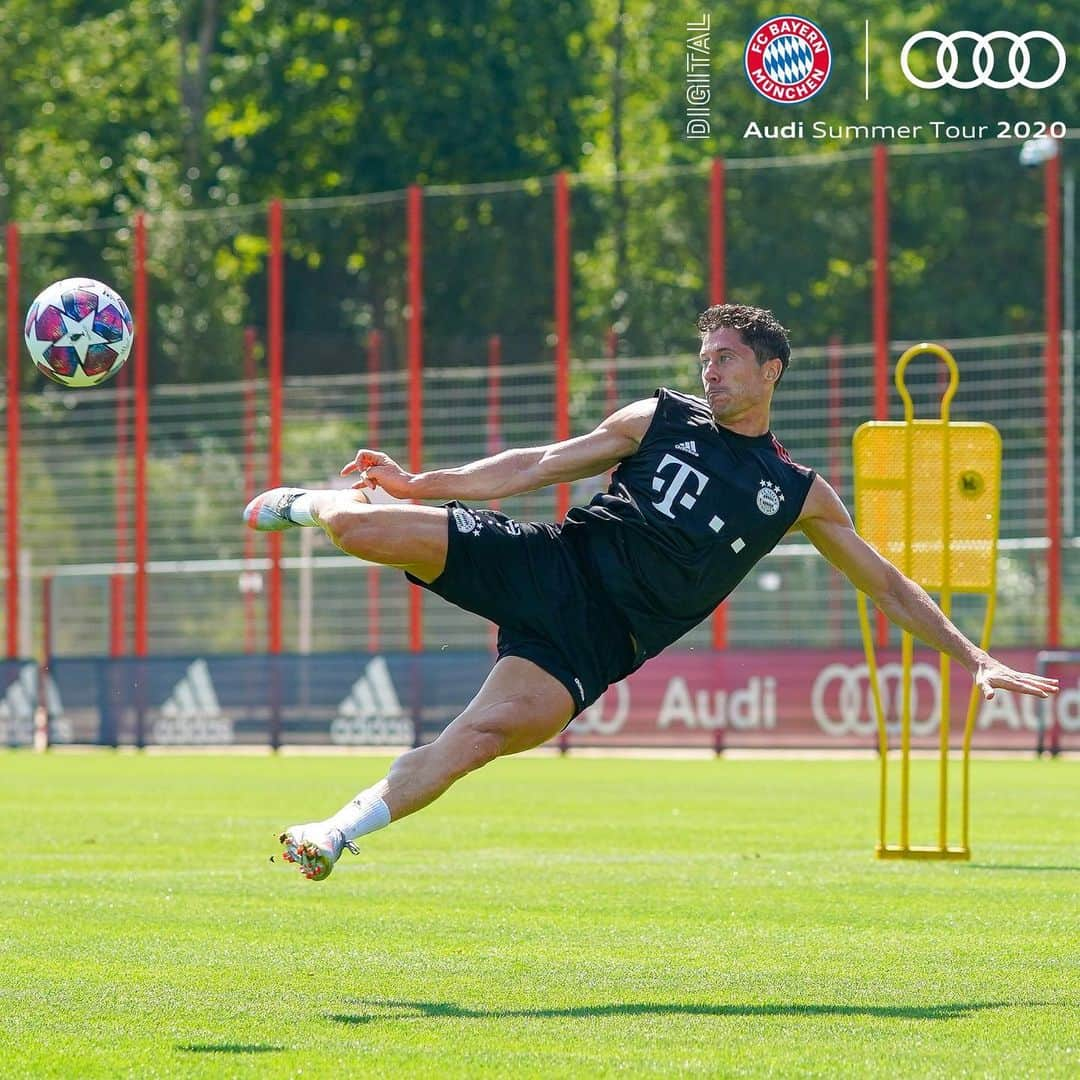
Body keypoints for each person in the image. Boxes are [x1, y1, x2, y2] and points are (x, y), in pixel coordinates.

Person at [244, 303, 1059, 881]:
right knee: (359, 528)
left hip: (594, 649)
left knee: (477, 741)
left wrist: (972, 653)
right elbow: (535, 464)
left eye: (728, 357)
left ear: (770, 370)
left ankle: (334, 833)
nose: (711, 369)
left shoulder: (795, 490)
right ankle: (302, 501)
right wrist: (422, 483)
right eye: (705, 357)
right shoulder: (659, 416)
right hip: (551, 564)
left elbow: (887, 584)